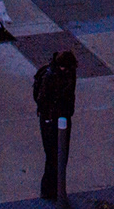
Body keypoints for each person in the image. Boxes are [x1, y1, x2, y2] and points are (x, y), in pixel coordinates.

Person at [33, 43, 80, 203]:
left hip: (63, 117)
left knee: (61, 155)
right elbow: (42, 100)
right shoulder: (50, 75)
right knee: (53, 156)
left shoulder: (69, 72)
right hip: (51, 119)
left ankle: (56, 189)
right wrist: (50, 116)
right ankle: (49, 190)